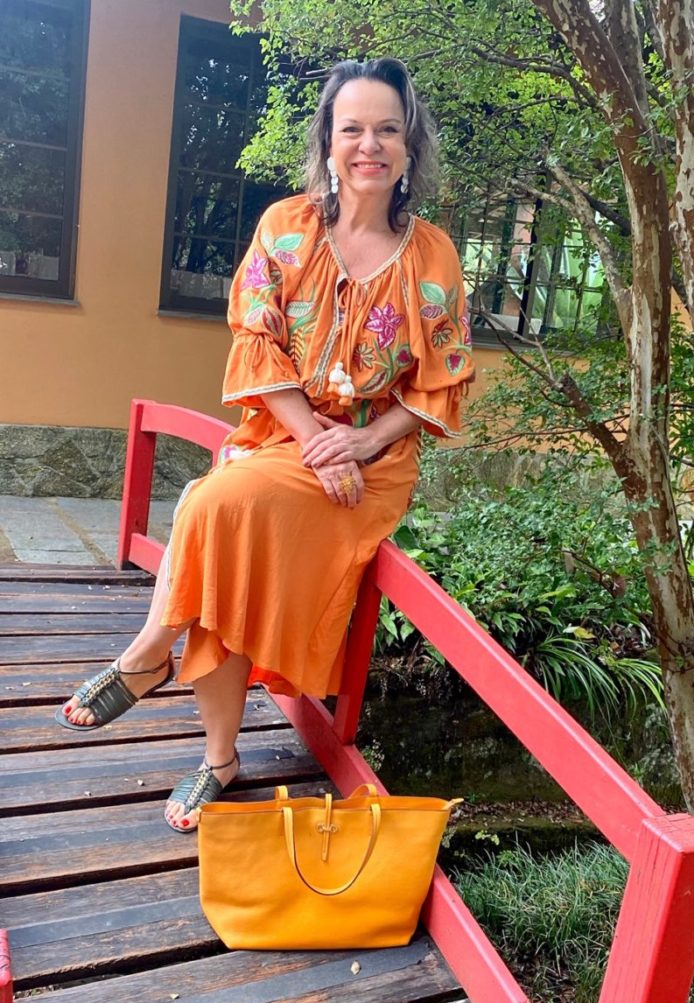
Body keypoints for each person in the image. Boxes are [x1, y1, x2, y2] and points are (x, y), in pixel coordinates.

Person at [54, 58, 474, 832]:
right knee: (221, 536)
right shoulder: (286, 226)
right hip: (287, 436)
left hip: (372, 465)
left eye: (388, 130)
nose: (370, 145)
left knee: (211, 506)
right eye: (353, 129)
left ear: (410, 146)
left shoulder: (433, 256)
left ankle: (152, 658)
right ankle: (213, 750)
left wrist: (361, 444)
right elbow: (256, 342)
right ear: (329, 141)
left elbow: (439, 384)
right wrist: (316, 440)